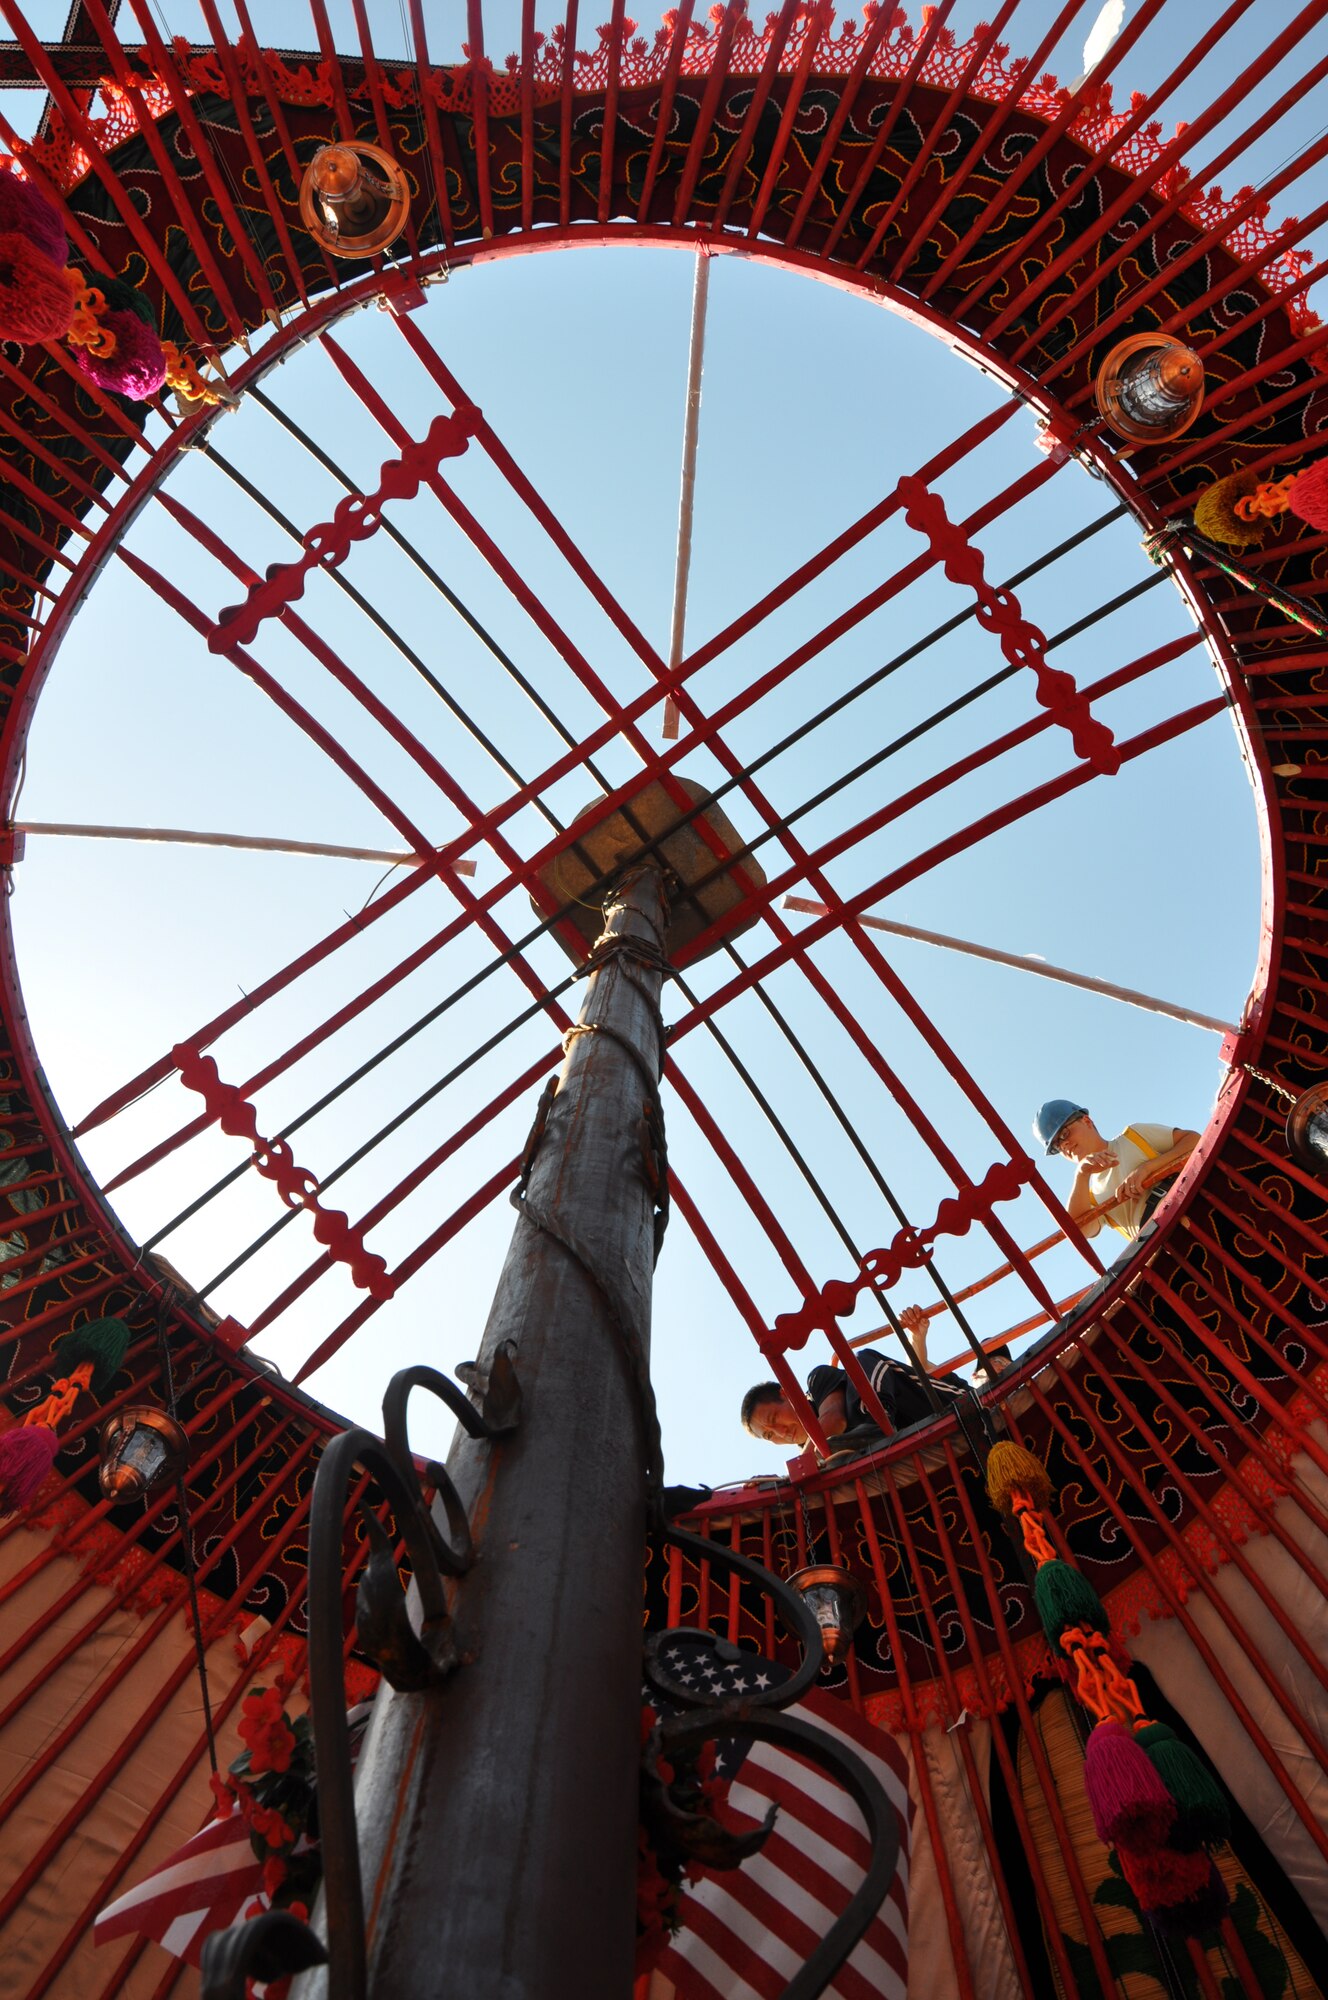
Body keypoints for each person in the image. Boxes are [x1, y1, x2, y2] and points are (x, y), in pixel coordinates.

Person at [741, 1311, 964, 1456]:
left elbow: (834, 1420)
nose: (781, 1433)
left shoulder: (818, 1381)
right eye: (770, 1436)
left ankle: (877, 1420)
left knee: (861, 1360)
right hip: (911, 1429)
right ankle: (878, 1426)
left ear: (786, 1394)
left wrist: (803, 1464)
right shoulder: (823, 1455)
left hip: (939, 1401)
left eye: (773, 1419)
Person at [1034, 1098, 1199, 1241]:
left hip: (1196, 1210)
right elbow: (1079, 1232)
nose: (1064, 1145)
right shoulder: (1090, 1197)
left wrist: (1148, 1168)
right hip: (1163, 1248)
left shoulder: (1134, 1136)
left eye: (1064, 1134)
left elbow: (1194, 1141)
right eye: (1057, 1146)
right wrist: (1081, 1175)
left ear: (1086, 1121)